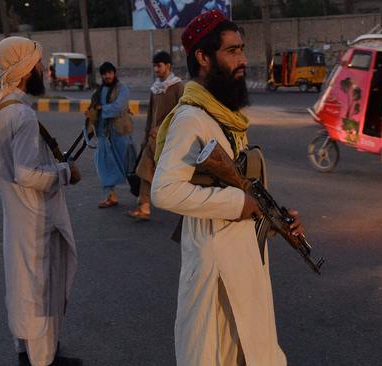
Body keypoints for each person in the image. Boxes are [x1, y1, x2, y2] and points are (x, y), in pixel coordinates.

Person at [151, 10, 304, 366]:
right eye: (232, 51)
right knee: (215, 353)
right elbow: (164, 191)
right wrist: (238, 203)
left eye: (242, 49)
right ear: (203, 57)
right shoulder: (191, 118)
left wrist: (276, 218)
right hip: (214, 266)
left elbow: (244, 186)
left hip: (241, 258)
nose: (243, 59)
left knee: (249, 350)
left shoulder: (223, 116)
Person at [0, 36, 81, 366]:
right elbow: (26, 173)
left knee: (22, 285)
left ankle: (26, 351)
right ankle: (43, 358)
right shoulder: (21, 115)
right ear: (25, 69)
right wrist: (65, 172)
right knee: (41, 287)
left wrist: (13, 192)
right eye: (38, 62)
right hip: (37, 217)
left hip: (17, 216)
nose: (42, 68)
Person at [128, 51, 184, 220]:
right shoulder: (155, 88)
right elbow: (151, 115)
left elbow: (182, 112)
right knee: (145, 167)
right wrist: (146, 137)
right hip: (153, 139)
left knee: (169, 172)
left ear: (168, 66)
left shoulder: (177, 87)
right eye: (154, 66)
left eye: (159, 66)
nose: (156, 69)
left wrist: (161, 128)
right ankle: (144, 205)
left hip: (170, 138)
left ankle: (150, 204)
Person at [85, 61, 134, 208]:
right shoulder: (97, 92)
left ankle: (142, 197)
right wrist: (91, 115)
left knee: (129, 167)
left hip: (120, 133)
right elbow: (92, 110)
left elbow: (118, 108)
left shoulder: (122, 89)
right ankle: (110, 196)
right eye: (104, 73)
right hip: (102, 135)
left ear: (114, 73)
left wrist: (101, 108)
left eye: (110, 73)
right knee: (104, 166)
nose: (107, 76)